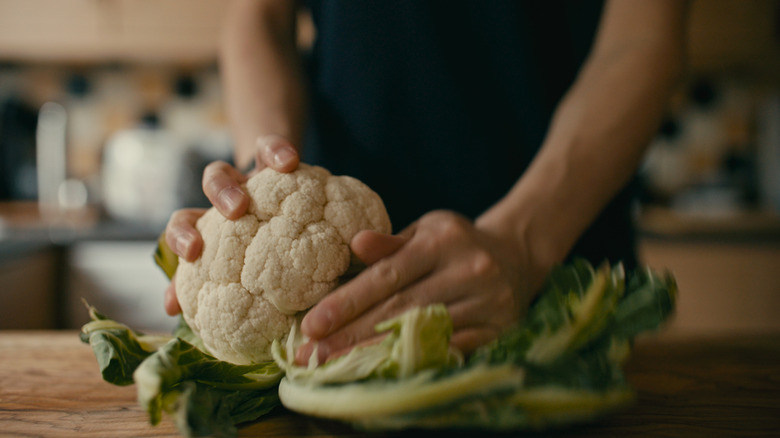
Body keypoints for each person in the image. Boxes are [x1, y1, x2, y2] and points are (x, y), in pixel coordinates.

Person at [163, 0, 689, 364]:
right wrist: (265, 182)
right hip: (334, 274)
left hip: (556, 256)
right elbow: (259, 16)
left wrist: (525, 242)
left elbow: (642, 36)